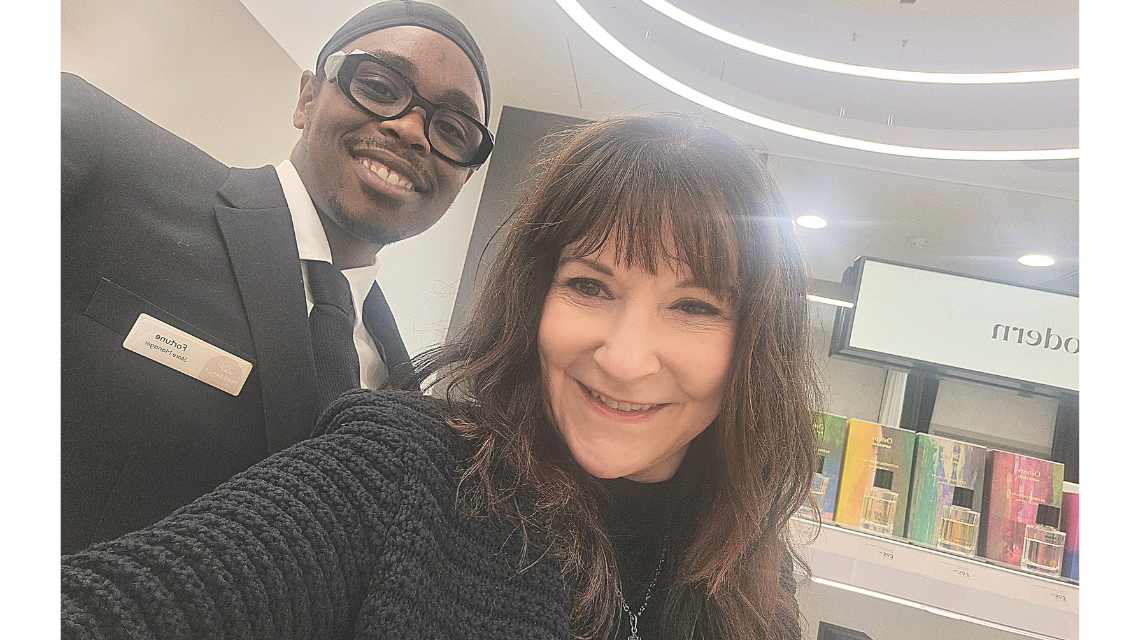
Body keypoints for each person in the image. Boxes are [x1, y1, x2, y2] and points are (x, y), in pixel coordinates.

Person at [62, 114, 819, 640]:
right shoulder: (405, 471)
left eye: (694, 306)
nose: (624, 359)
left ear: (758, 345)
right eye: (590, 286)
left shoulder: (752, 576)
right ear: (535, 297)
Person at [61, 1, 494, 554]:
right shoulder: (97, 150)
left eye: (452, 129)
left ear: (464, 178)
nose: (412, 130)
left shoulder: (403, 394)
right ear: (308, 97)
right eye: (379, 86)